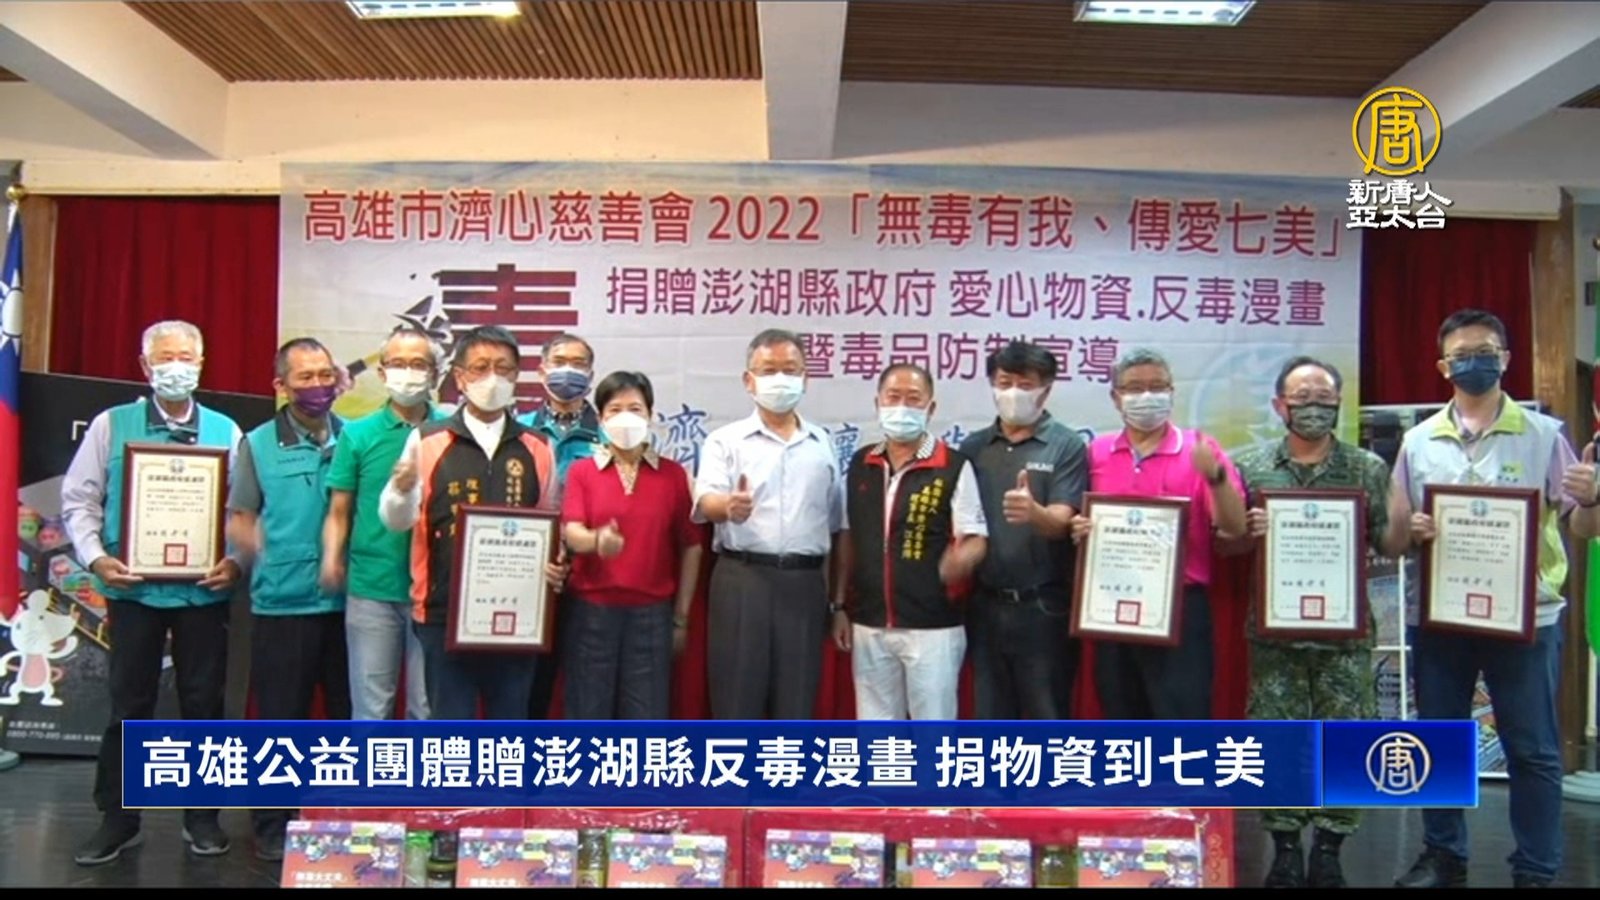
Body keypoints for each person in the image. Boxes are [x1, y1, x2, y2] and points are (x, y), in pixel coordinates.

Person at [1388, 309, 1600, 889]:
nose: (1473, 362)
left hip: (1527, 617)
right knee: (1439, 742)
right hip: (1440, 616)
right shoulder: (1417, 441)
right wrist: (1412, 529)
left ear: (1505, 358)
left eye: (1485, 351)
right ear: (1443, 366)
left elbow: (1584, 529)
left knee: (1531, 748)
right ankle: (1443, 855)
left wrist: (1592, 498)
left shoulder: (1544, 435)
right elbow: (1397, 534)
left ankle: (1535, 867)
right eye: (1461, 355)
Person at [62, 320, 243, 865]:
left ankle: (203, 817)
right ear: (145, 366)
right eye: (165, 357)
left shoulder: (226, 430)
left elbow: (243, 510)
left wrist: (236, 560)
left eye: (186, 357)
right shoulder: (110, 425)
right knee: (130, 705)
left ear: (201, 364)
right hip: (132, 590)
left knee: (204, 704)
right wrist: (95, 557)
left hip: (203, 593)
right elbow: (79, 499)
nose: (176, 367)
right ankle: (118, 819)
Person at [1225, 356, 1397, 888]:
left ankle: (1329, 847)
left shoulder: (1367, 468)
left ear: (1339, 403)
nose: (1313, 408)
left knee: (1346, 738)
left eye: (1324, 398)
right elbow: (1224, 544)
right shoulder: (1250, 466)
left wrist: (1412, 523)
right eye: (1302, 399)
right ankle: (1284, 848)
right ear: (1280, 405)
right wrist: (1244, 529)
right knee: (1276, 736)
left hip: (1344, 635)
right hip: (1274, 634)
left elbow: (1388, 543)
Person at [379, 325, 569, 720]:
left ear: (517, 376)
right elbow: (397, 521)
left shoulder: (538, 446)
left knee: (509, 726)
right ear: (460, 377)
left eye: (504, 368)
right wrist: (400, 490)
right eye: (481, 368)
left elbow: (550, 521)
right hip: (442, 613)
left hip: (518, 617)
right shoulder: (426, 440)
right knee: (451, 730)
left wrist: (556, 563)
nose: (492, 378)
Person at [1071, 347, 1246, 720]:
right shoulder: (1096, 453)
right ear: (1116, 397)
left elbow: (1234, 528)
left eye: (1157, 386)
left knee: (1180, 722)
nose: (1147, 396)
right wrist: (1080, 529)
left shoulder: (1200, 448)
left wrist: (1215, 478)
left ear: (1171, 392)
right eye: (1135, 388)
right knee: (1121, 720)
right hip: (1110, 610)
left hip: (1180, 611)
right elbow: (1077, 520)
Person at [227, 337, 351, 862]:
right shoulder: (257, 444)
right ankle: (272, 823)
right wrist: (259, 548)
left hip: (349, 605)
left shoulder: (353, 437)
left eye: (326, 374)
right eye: (306, 377)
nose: (319, 386)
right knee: (282, 721)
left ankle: (342, 817)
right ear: (281, 385)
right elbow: (240, 516)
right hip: (283, 603)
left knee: (347, 720)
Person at [694, 328, 845, 720]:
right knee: (736, 701)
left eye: (790, 370)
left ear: (805, 378)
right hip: (743, 578)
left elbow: (836, 525)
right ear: (749, 380)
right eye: (768, 370)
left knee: (796, 703)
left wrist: (837, 601)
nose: (780, 379)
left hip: (804, 585)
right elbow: (706, 501)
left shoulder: (822, 443)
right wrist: (728, 507)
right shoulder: (725, 441)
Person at [833, 363, 987, 720]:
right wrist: (838, 605)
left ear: (931, 408)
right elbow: (848, 536)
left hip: (933, 625)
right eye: (893, 397)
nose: (902, 407)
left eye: (914, 398)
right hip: (870, 620)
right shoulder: (861, 462)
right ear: (878, 403)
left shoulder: (953, 465)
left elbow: (976, 538)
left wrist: (962, 559)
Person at [559, 371, 702, 719]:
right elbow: (572, 531)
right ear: (601, 418)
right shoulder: (582, 472)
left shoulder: (672, 475)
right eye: (615, 409)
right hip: (592, 612)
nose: (625, 417)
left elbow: (692, 546)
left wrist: (681, 618)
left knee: (646, 715)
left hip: (651, 616)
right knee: (588, 712)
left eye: (635, 409)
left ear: (650, 415)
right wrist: (596, 540)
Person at [323, 325, 448, 722]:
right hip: (372, 586)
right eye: (397, 363)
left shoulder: (451, 430)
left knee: (427, 708)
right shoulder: (357, 434)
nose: (407, 373)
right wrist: (332, 558)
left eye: (418, 364)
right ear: (381, 373)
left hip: (435, 590)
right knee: (371, 707)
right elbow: (339, 509)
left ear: (435, 373)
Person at [959, 341, 1087, 719]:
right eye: (1005, 382)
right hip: (985, 605)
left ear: (1046, 390)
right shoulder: (974, 447)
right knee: (990, 716)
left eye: (1025, 384)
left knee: (1046, 715)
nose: (1013, 392)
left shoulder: (1066, 445)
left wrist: (1034, 513)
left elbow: (1063, 522)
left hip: (1044, 607)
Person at [520, 332, 604, 720]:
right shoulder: (519, 429)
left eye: (578, 363)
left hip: (590, 570)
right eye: (559, 362)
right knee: (528, 684)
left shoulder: (610, 434)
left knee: (588, 681)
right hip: (528, 569)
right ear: (541, 371)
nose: (568, 370)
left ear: (591, 374)